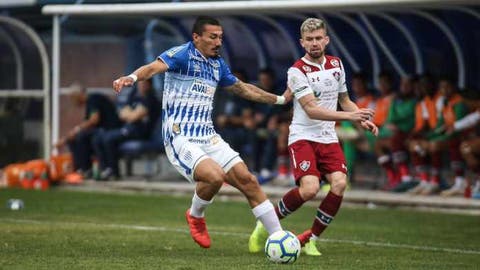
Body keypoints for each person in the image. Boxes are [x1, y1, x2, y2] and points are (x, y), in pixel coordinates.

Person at [113, 16, 291, 249]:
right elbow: (153, 68)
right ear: (197, 37)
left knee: (249, 181)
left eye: (220, 37)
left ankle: (279, 237)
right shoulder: (182, 55)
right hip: (180, 136)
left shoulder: (218, 65)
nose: (218, 42)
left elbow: (243, 88)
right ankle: (196, 215)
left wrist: (280, 99)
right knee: (214, 176)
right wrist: (132, 77)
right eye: (212, 37)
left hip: (207, 136)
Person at [248, 18, 377, 256]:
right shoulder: (296, 71)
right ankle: (266, 224)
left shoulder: (337, 64)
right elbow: (312, 109)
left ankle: (310, 239)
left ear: (326, 40)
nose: (315, 43)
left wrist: (361, 117)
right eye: (310, 39)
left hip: (327, 137)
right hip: (303, 136)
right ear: (302, 43)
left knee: (338, 184)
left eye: (318, 38)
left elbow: (345, 100)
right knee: (310, 189)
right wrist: (351, 117)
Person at [93, 79, 160, 180]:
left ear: (149, 85)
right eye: (140, 84)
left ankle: (114, 172)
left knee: (109, 139)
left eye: (144, 84)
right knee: (99, 138)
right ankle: (105, 169)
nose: (141, 86)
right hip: (128, 129)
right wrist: (132, 114)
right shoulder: (134, 95)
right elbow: (121, 113)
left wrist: (130, 115)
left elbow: (133, 116)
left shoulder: (151, 98)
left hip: (141, 132)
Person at [54, 83, 121, 178]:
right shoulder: (89, 104)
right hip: (101, 130)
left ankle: (92, 169)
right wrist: (68, 137)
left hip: (110, 129)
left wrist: (76, 130)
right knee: (75, 138)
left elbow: (94, 120)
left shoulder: (94, 99)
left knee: (82, 136)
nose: (73, 101)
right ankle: (82, 168)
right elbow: (87, 124)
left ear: (78, 95)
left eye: (72, 98)